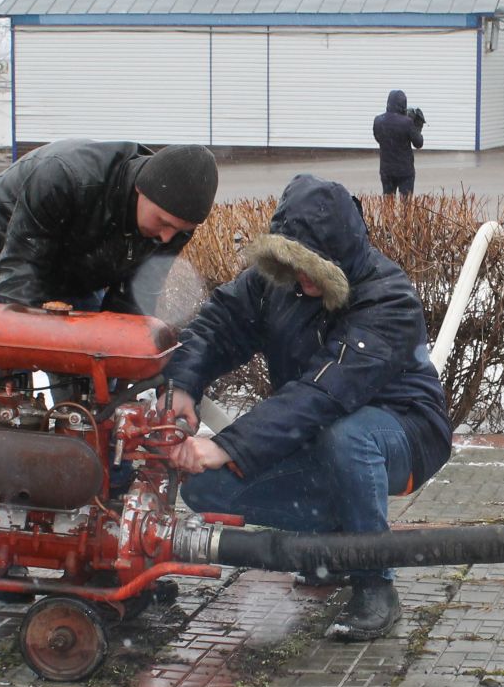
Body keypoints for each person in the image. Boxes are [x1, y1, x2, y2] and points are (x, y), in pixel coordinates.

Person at [160, 174, 452, 642]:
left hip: (404, 433)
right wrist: (182, 384)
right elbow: (218, 325)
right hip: (315, 433)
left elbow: (322, 393)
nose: (300, 279)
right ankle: (333, 545)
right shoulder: (279, 282)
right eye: (292, 264)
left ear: (339, 255)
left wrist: (229, 445)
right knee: (206, 488)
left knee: (349, 436)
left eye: (311, 267)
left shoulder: (387, 299)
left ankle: (374, 580)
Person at [0, 138, 218, 429]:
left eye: (179, 230)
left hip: (76, 269)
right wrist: (44, 344)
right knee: (7, 394)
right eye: (163, 222)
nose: (167, 237)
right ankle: (2, 458)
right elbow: (20, 273)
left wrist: (115, 390)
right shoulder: (66, 177)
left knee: (92, 393)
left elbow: (133, 300)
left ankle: (92, 460)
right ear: (140, 190)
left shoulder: (174, 225)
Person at [372, 90, 425, 198]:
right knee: (405, 207)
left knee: (388, 205)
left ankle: (387, 215)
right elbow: (418, 143)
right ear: (403, 104)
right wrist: (417, 127)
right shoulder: (407, 122)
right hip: (405, 171)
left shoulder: (378, 120)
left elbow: (378, 139)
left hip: (386, 170)